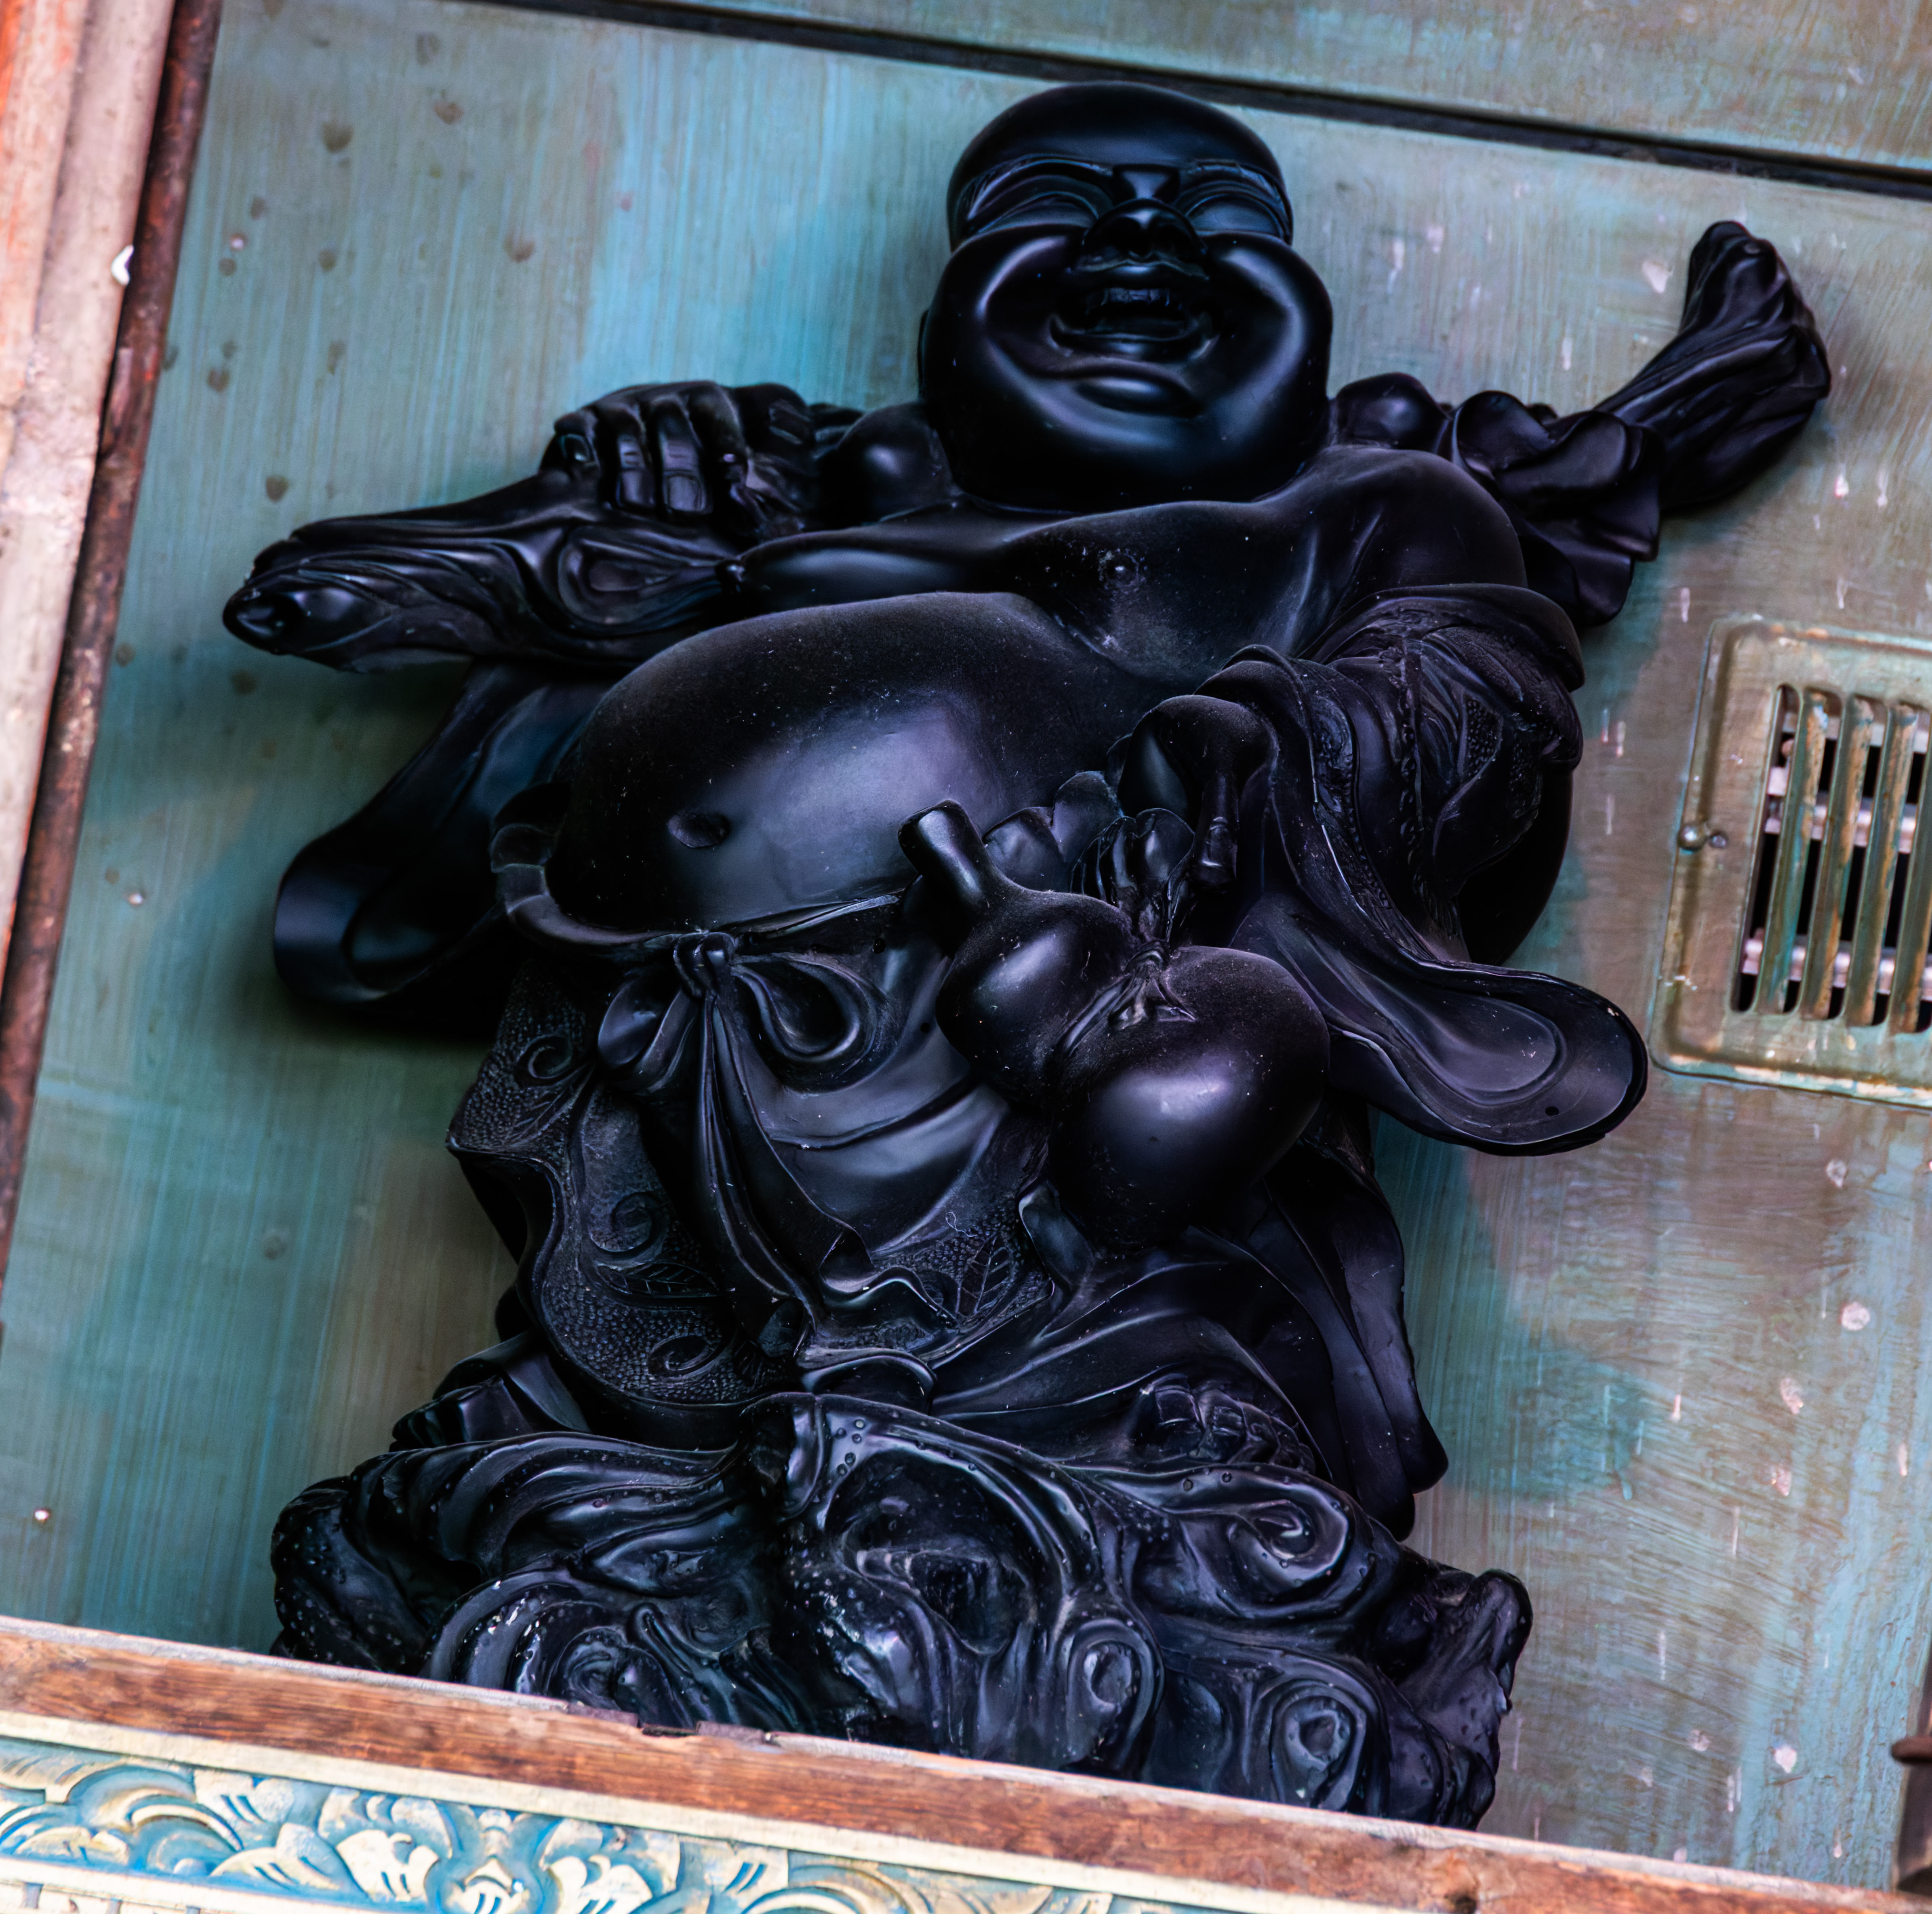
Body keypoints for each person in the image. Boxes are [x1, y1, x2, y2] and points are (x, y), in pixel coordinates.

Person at [242, 82, 1826, 1825]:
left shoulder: (1371, 514)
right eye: (1062, 202)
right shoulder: (795, 493)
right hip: (673, 1073)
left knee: (1050, 1550)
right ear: (948, 316)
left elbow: (1469, 721)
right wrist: (609, 514)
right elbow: (357, 601)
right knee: (584, 1507)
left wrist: (1206, 777)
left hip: (1060, 1094)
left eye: (1214, 217)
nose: (1142, 238)